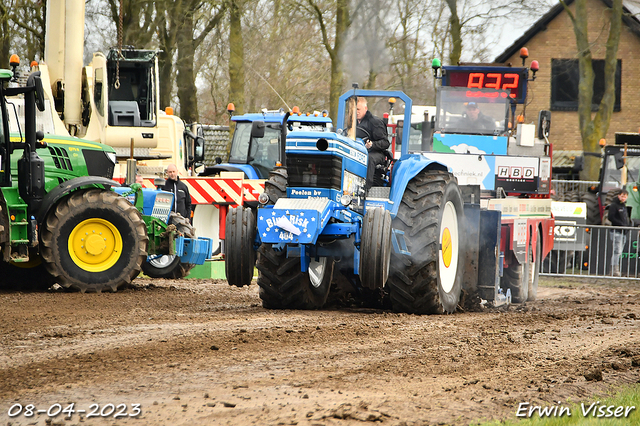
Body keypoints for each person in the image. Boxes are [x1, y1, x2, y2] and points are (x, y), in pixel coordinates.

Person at [355, 98, 390, 187]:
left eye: (358, 109)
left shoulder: (375, 122)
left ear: (365, 109)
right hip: (358, 150)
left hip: (377, 152)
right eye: (354, 110)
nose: (356, 112)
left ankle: (366, 187)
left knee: (368, 158)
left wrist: (372, 145)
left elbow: (385, 143)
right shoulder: (352, 123)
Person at [607, 188, 630, 277]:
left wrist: (627, 227)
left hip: (623, 232)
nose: (623, 198)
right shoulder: (613, 205)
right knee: (617, 251)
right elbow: (611, 217)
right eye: (622, 196)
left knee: (619, 252)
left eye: (625, 196)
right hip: (616, 231)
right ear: (618, 196)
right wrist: (621, 225)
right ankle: (614, 270)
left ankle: (615, 269)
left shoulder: (624, 206)